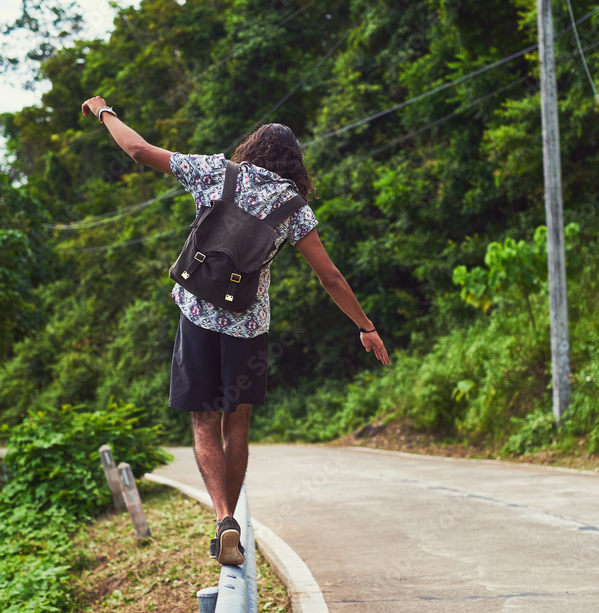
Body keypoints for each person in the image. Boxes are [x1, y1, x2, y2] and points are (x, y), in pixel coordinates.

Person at [81, 95, 390, 565]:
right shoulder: (294, 208)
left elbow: (139, 151)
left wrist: (106, 112)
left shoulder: (217, 172)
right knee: (236, 423)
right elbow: (331, 277)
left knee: (202, 420)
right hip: (249, 326)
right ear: (295, 164)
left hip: (198, 315)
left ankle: (223, 518)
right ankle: (234, 526)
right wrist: (365, 327)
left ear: (252, 148)